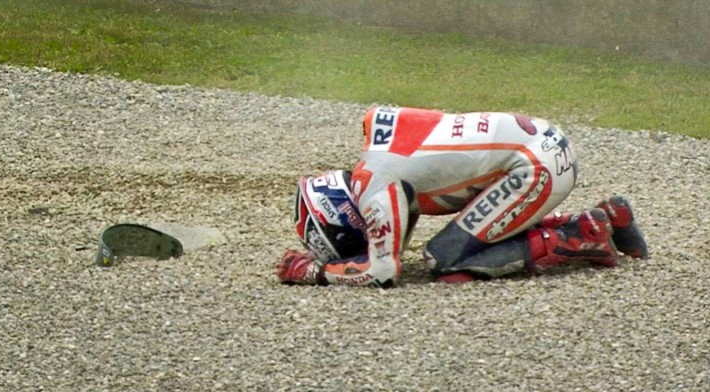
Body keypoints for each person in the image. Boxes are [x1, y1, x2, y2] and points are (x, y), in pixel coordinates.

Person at [277, 106, 648, 287]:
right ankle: (611, 217)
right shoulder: (378, 146)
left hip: (535, 165)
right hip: (542, 144)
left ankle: (579, 235)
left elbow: (383, 272)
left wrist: (315, 272)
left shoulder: (374, 184)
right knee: (472, 235)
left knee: (446, 261)